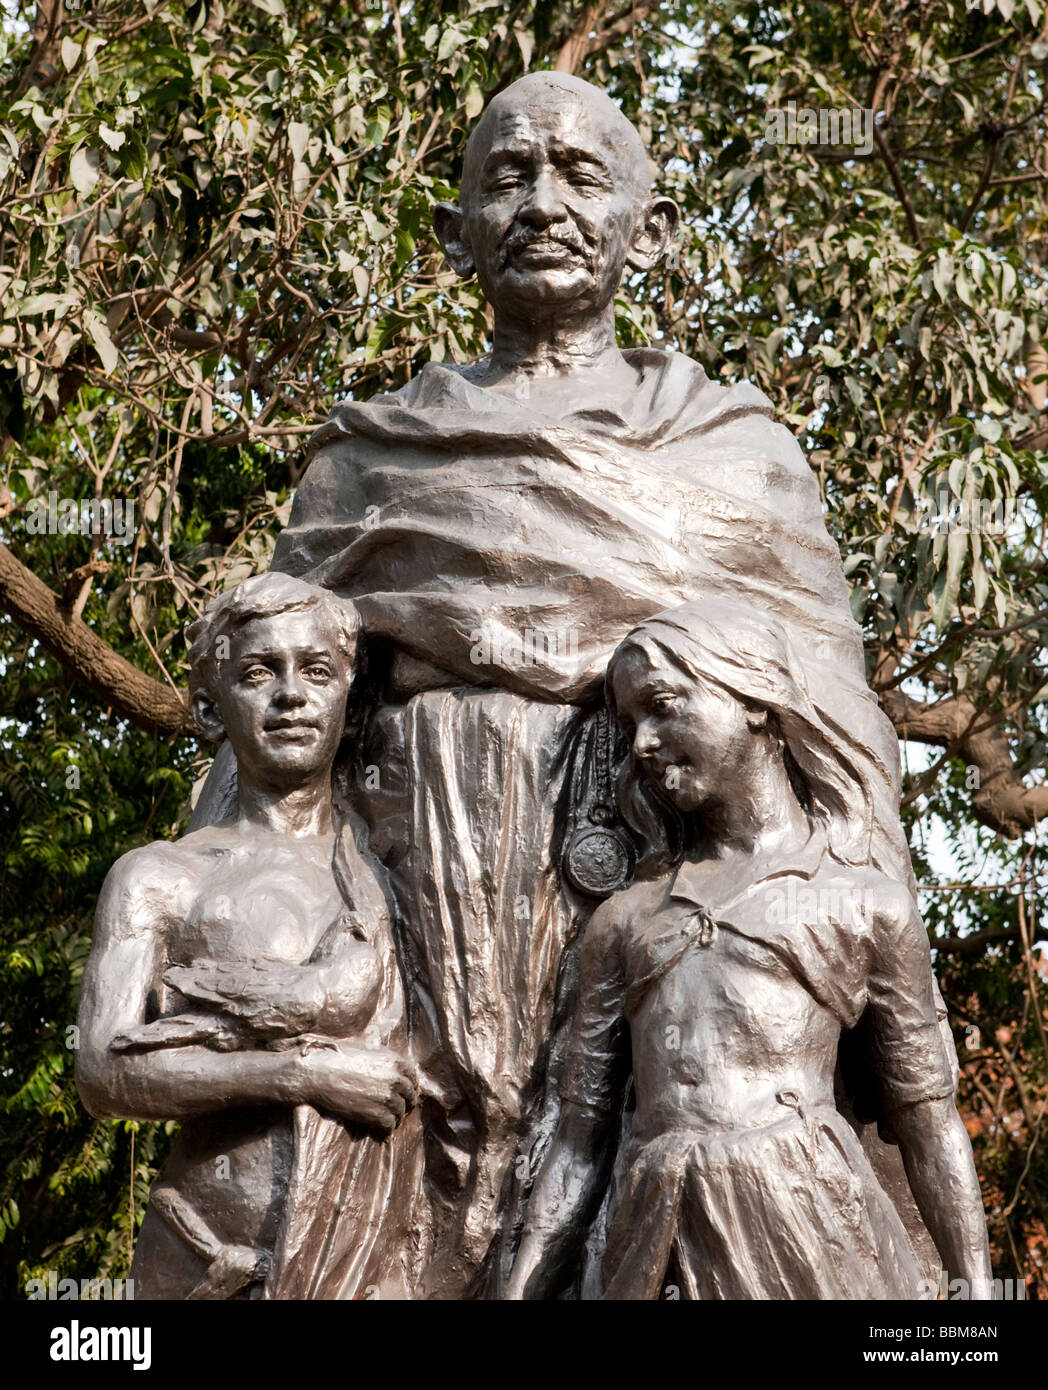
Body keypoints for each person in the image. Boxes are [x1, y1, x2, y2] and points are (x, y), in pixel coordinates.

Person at [193, 72, 944, 1296]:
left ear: (646, 229)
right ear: (456, 234)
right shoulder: (367, 461)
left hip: (658, 914)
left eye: (581, 174)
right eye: (508, 175)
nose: (544, 202)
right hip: (410, 924)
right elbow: (269, 712)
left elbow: (833, 726)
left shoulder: (735, 457)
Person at [505, 599, 991, 1299]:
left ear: (755, 699)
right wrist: (520, 1288)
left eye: (663, 705)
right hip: (651, 1232)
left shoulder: (863, 904)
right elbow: (580, 1145)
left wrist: (973, 1290)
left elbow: (929, 1121)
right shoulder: (623, 921)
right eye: (630, 722)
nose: (641, 741)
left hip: (808, 1221)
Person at [76, 573, 421, 1299]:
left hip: (372, 1243)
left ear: (350, 708)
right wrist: (304, 1076)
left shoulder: (397, 874)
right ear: (210, 706)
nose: (292, 695)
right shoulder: (160, 877)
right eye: (260, 672)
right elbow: (104, 1071)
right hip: (212, 1249)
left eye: (317, 672)